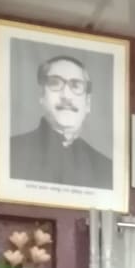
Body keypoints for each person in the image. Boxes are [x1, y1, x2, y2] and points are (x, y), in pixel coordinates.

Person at [9, 54, 112, 189]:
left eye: (76, 86)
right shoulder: (12, 152)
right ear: (41, 95)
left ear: (87, 103)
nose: (66, 96)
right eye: (55, 83)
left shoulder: (106, 168)